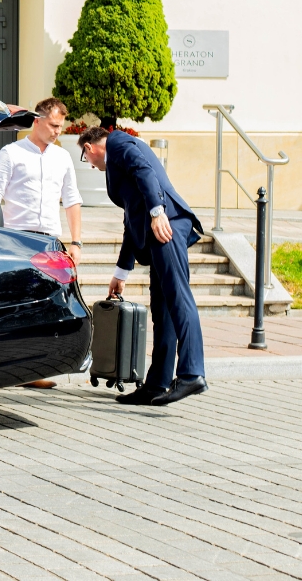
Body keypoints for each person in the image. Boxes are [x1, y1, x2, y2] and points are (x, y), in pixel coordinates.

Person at [78, 125, 207, 406]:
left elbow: (144, 170)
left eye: (86, 159)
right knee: (162, 310)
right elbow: (131, 218)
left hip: (167, 225)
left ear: (89, 148)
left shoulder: (118, 143)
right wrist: (121, 272)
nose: (90, 165)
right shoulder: (115, 162)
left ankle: (192, 373)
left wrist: (157, 212)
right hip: (156, 230)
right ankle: (157, 384)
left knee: (178, 298)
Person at [0, 97, 83, 389]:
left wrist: (76, 241)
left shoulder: (62, 157)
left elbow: (72, 200)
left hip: (49, 242)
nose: (57, 131)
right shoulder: (10, 153)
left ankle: (32, 370)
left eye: (60, 126)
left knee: (45, 307)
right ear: (37, 121)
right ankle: (9, 369)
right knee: (15, 305)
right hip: (17, 239)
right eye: (53, 125)